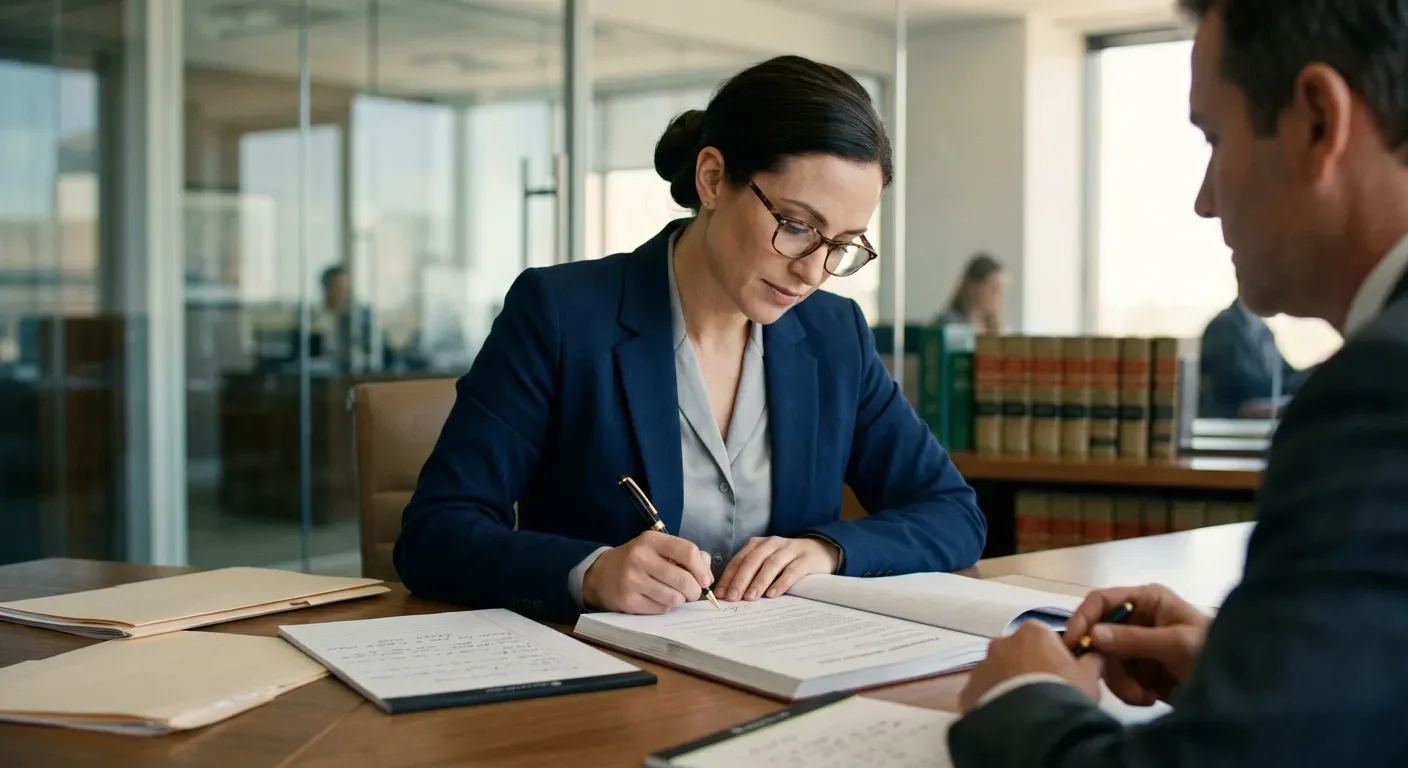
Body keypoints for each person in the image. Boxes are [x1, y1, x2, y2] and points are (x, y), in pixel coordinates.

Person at [949, 0, 1408, 765]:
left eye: (1214, 138)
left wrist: (1022, 697)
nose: (1204, 199)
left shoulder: (1378, 391)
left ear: (1317, 122)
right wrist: (1256, 668)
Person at [394, 55, 987, 624]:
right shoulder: (561, 314)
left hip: (784, 673)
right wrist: (592, 571)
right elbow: (436, 533)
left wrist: (826, 550)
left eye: (844, 243)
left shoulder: (835, 335)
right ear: (712, 179)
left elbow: (953, 514)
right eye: (798, 226)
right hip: (605, 687)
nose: (814, 270)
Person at [1197, 298, 1308, 417]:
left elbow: (1285, 372)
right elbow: (1237, 388)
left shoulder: (1261, 327)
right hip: (1233, 420)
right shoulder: (1224, 327)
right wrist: (1292, 385)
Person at [935, 253, 1005, 333]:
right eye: (993, 287)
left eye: (1001, 289)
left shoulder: (993, 326)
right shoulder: (949, 323)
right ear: (974, 287)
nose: (998, 294)